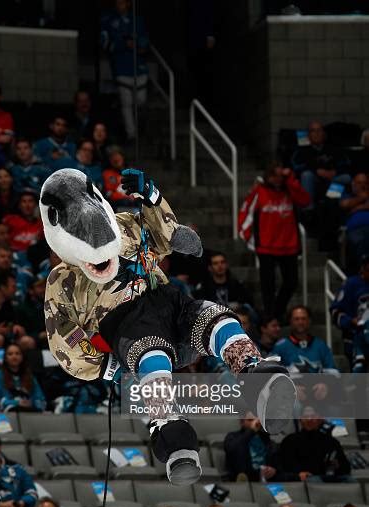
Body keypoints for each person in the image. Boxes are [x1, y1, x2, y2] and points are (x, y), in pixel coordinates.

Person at [41, 167, 297, 486]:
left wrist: (152, 196)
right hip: (126, 326)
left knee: (216, 317)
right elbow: (62, 336)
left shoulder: (124, 226)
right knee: (152, 352)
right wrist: (100, 366)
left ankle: (255, 375)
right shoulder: (62, 279)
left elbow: (163, 235)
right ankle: (173, 437)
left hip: (170, 303)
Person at [238, 163, 310, 320]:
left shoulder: (290, 191)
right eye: (273, 175)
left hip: (289, 245)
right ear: (267, 176)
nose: (277, 179)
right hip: (266, 246)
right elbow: (246, 212)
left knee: (291, 282)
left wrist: (290, 179)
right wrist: (246, 235)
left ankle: (276, 313)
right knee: (268, 285)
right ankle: (271, 315)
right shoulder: (260, 192)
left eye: (280, 176)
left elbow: (305, 200)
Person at [271, 306, 340, 415]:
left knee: (334, 409)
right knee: (294, 407)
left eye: (303, 319)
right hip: (293, 394)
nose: (300, 322)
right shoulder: (280, 346)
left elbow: (333, 372)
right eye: (297, 319)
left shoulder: (320, 345)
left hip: (318, 393)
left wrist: (326, 385)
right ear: (290, 321)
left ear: (309, 321)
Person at [101, 0, 149, 142]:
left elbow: (145, 41)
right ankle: (131, 134)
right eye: (118, 2)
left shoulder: (137, 20)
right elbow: (105, 42)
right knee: (126, 103)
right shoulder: (108, 20)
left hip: (139, 68)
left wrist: (138, 44)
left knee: (140, 101)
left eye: (123, 2)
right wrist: (123, 44)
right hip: (121, 67)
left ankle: (141, 128)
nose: (120, 5)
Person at [279, 407, 351, 482]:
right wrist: (298, 473)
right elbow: (286, 464)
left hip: (330, 477)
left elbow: (346, 468)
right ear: (300, 419)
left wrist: (337, 466)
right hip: (307, 478)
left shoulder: (331, 441)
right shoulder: (290, 440)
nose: (309, 419)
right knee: (314, 480)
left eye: (313, 416)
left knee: (349, 480)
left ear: (320, 419)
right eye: (306, 416)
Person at [291, 121, 351, 206]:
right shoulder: (301, 150)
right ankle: (308, 210)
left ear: (323, 133)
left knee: (346, 177)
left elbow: (346, 163)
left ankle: (334, 204)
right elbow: (296, 167)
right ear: (308, 135)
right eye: (313, 131)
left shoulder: (333, 148)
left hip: (333, 178)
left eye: (319, 130)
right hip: (314, 179)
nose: (316, 133)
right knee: (306, 175)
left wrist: (334, 172)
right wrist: (317, 171)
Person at [330, 254, 369, 372]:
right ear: (363, 268)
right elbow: (335, 312)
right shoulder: (351, 284)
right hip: (354, 339)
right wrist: (351, 321)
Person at [0, 342, 46, 412]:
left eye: (17, 353)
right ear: (5, 358)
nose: (14, 356)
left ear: (22, 357)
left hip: (29, 412)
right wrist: (15, 403)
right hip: (6, 413)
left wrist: (31, 403)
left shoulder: (30, 376)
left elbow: (41, 400)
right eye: (10, 354)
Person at [224, 413, 282, 482]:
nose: (255, 422)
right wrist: (251, 431)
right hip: (244, 476)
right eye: (250, 420)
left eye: (257, 420)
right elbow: (233, 450)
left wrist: (274, 471)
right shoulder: (232, 437)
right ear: (242, 422)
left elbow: (277, 464)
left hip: (267, 478)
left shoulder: (267, 440)